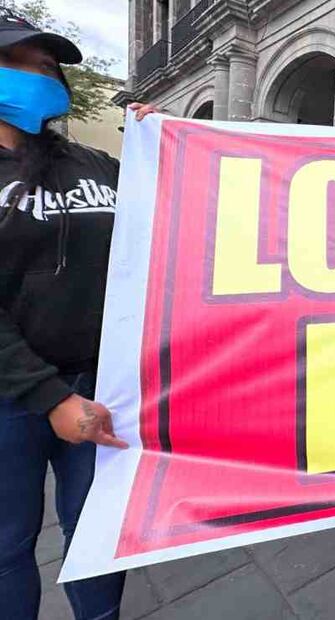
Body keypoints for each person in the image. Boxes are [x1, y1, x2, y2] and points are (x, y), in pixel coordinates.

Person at [0, 9, 157, 618]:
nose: (38, 76)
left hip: (104, 390)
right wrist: (51, 399)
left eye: (47, 67)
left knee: (99, 539)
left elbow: (167, 204)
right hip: (13, 400)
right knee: (10, 546)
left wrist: (159, 142)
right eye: (16, 63)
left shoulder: (93, 166)